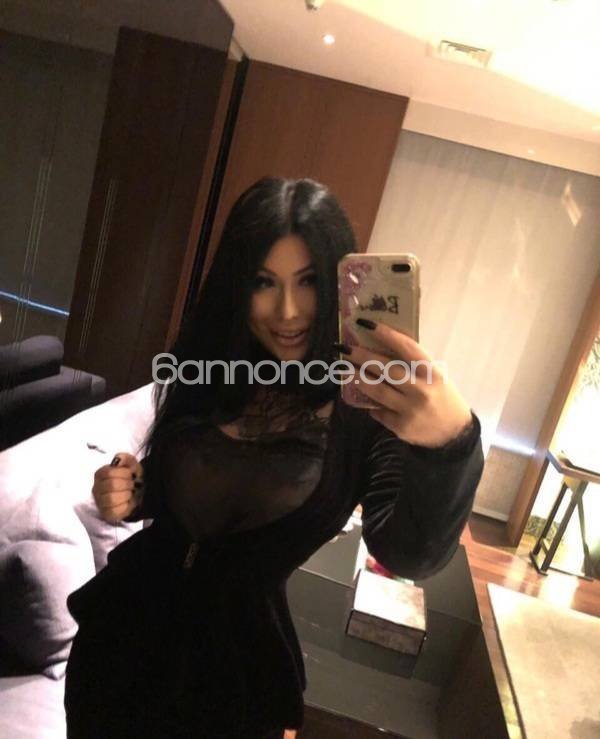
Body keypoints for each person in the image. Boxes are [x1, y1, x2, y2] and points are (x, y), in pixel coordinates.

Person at [64, 177, 484, 738]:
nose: (287, 311)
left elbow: (407, 552)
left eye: (308, 281)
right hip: (116, 649)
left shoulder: (363, 408)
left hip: (231, 687)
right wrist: (136, 490)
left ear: (337, 283)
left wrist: (451, 443)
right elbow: (182, 504)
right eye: (264, 282)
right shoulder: (208, 367)